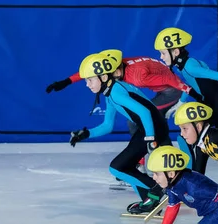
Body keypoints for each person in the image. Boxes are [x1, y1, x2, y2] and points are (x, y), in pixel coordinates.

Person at [46, 49, 200, 166]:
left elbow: (170, 79)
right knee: (142, 123)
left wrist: (184, 98)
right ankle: (159, 158)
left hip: (172, 92)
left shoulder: (136, 77)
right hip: (161, 91)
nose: (114, 72)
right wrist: (67, 81)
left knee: (144, 122)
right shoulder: (115, 79)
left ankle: (162, 160)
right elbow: (91, 71)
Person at [69, 52, 171, 214]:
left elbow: (144, 112)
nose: (87, 84)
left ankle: (157, 189)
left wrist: (150, 138)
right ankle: (150, 200)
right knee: (125, 166)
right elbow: (107, 126)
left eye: (89, 79)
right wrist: (86, 134)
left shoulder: (116, 92)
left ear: (103, 77)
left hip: (152, 128)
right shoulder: (111, 92)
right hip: (149, 128)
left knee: (117, 168)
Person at [154, 27, 218, 129]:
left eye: (163, 53)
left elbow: (217, 75)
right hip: (212, 102)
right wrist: (181, 102)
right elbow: (191, 83)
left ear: (176, 52)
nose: (161, 57)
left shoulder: (190, 67)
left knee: (209, 134)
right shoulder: (184, 65)